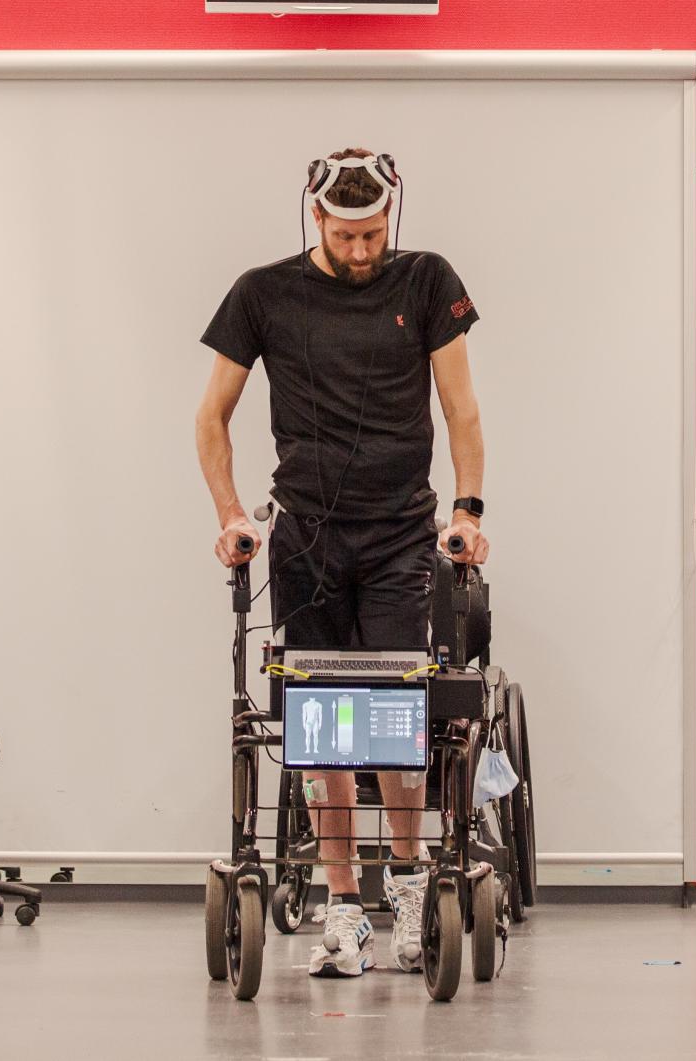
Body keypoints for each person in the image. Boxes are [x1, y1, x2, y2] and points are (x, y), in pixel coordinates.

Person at [196, 147, 489, 979]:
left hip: (401, 533)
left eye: (374, 234)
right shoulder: (264, 292)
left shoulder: (427, 282)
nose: (363, 251)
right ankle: (343, 909)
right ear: (315, 219)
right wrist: (229, 515)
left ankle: (403, 889)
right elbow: (211, 416)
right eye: (346, 235)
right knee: (321, 727)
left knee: (395, 721)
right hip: (308, 538)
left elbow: (461, 409)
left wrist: (467, 510)